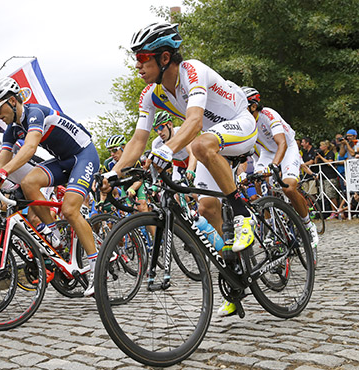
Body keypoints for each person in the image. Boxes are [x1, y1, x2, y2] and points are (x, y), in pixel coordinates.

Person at [101, 23, 258, 315]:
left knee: (200, 145)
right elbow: (138, 140)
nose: (137, 65)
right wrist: (114, 173)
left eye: (142, 58)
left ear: (164, 58)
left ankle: (243, 215)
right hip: (213, 139)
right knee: (207, 206)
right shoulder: (151, 94)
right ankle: (237, 271)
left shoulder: (191, 71)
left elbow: (195, 122)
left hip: (240, 124)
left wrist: (167, 149)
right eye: (135, 59)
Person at [0, 77, 100, 297]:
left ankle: (97, 268)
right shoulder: (12, 130)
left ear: (12, 101)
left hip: (84, 155)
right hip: (64, 160)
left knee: (69, 210)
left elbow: (30, 148)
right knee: (29, 182)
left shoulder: (35, 113)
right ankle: (54, 235)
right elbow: (0, 161)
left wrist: (4, 172)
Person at [241, 86, 319, 256]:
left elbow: (282, 143)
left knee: (289, 188)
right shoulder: (245, 123)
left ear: (253, 106)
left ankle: (307, 225)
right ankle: (271, 225)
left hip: (287, 147)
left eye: (242, 105)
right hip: (268, 153)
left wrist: (275, 165)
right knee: (258, 181)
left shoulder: (268, 115)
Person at [152, 111, 197, 183]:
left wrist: (191, 168)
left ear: (169, 124)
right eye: (156, 129)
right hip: (178, 166)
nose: (159, 132)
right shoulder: (156, 143)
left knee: (200, 188)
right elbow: (156, 165)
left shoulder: (181, 131)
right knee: (177, 192)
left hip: (194, 160)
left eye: (161, 127)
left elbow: (192, 152)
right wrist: (155, 182)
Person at [315, 140, 340, 219]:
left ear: (325, 147)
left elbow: (329, 163)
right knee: (325, 195)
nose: (320, 147)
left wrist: (321, 157)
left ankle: (334, 211)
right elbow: (316, 164)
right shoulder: (321, 154)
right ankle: (327, 211)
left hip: (330, 176)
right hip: (323, 176)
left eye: (321, 146)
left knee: (331, 195)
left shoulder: (330, 153)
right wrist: (317, 157)